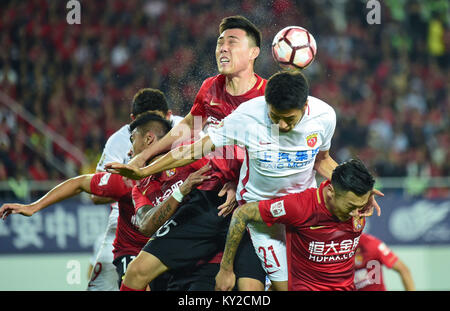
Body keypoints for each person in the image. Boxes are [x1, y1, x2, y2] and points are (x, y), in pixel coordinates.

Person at [107, 70, 384, 290]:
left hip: (299, 213)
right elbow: (194, 148)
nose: (282, 125)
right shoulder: (247, 117)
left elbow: (321, 160)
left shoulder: (325, 117)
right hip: (257, 214)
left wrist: (360, 191)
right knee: (278, 287)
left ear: (305, 107)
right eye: (275, 117)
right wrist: (145, 168)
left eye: (289, 119)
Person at [112, 15, 269, 291]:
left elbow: (274, 153)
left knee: (250, 290)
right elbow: (187, 130)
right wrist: (144, 157)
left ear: (254, 52)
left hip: (250, 203)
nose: (223, 48)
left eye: (232, 42)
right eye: (220, 42)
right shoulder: (210, 89)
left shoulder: (267, 98)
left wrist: (242, 181)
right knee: (136, 273)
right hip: (208, 197)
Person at [0, 113, 206, 290]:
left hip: (171, 246)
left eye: (133, 140)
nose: (128, 151)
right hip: (133, 251)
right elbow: (79, 183)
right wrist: (33, 206)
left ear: (149, 139)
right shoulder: (128, 180)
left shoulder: (187, 163)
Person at [215, 159, 376, 291]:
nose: (356, 214)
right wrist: (226, 269)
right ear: (331, 192)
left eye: (360, 207)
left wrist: (364, 201)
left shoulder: (360, 205)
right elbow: (242, 213)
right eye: (350, 207)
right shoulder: (301, 207)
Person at [87, 88, 183, 291]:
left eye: (155, 120)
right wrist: (131, 186)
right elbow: (96, 193)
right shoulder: (120, 140)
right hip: (125, 226)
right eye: (141, 122)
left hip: (173, 221)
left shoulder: (185, 128)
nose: (148, 132)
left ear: (168, 115)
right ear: (133, 120)